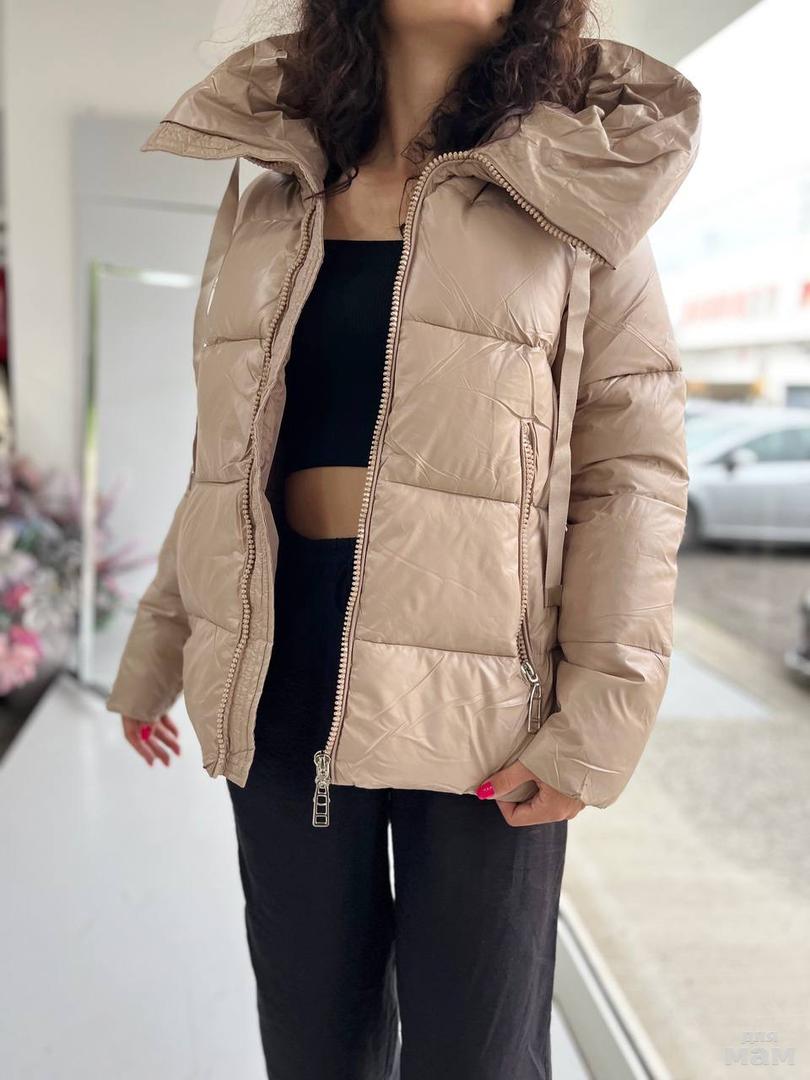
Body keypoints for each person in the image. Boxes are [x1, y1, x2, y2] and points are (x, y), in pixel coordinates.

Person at [106, 2, 701, 1076]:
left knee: (478, 1053)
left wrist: (600, 718)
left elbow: (631, 474)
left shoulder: (578, 191)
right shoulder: (277, 193)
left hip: (485, 703)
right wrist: (160, 643)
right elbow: (225, 461)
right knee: (312, 1043)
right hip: (284, 669)